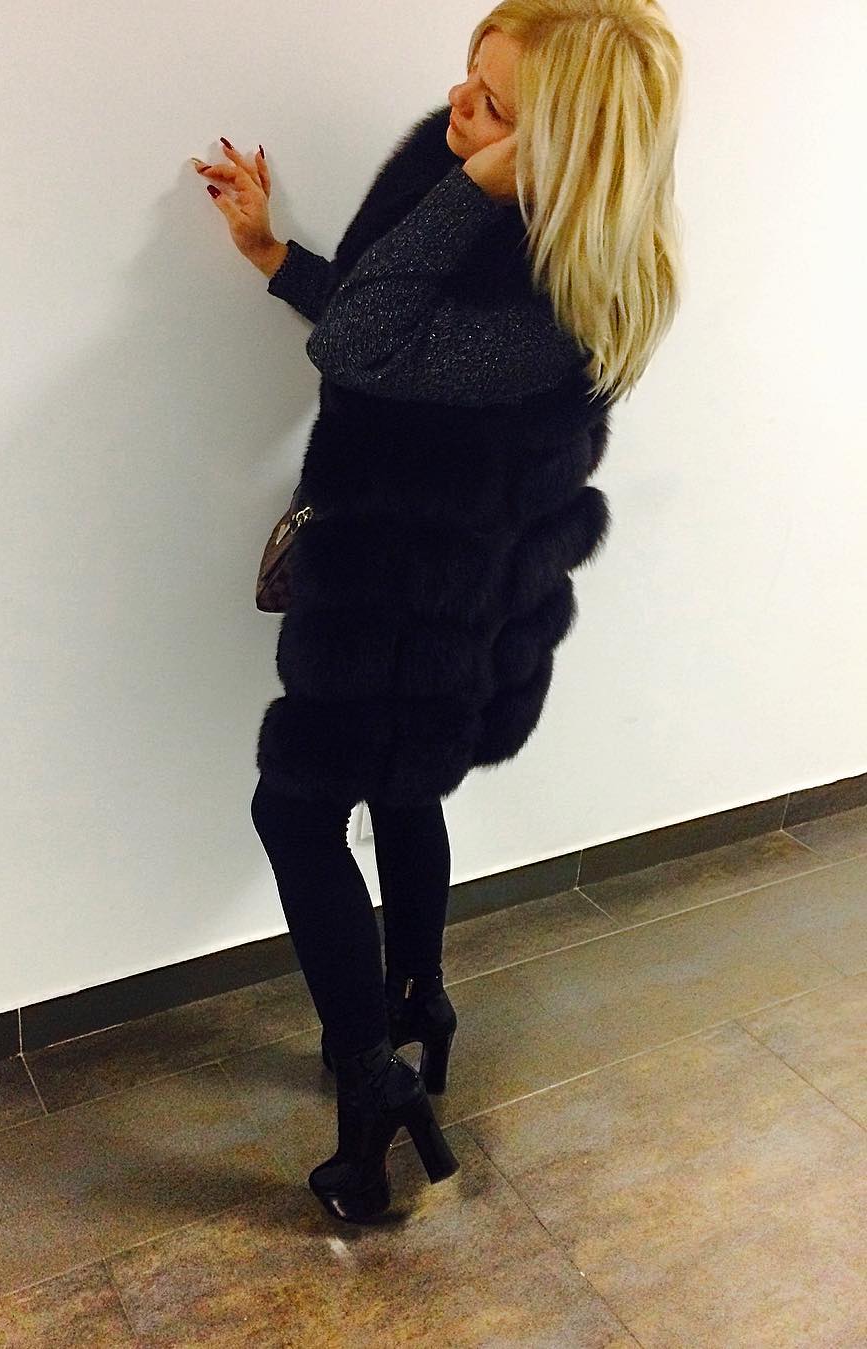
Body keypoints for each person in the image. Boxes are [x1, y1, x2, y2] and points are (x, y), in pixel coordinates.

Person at [190, 0, 684, 1223]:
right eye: (467, 76)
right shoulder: (468, 185)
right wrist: (272, 253)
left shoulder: (553, 299)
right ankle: (419, 1003)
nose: (459, 106)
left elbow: (366, 341)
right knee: (404, 794)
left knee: (294, 808)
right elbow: (381, 313)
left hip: (415, 613)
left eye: (495, 104)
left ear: (562, 149)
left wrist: (473, 184)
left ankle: (373, 1092)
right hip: (420, 598)